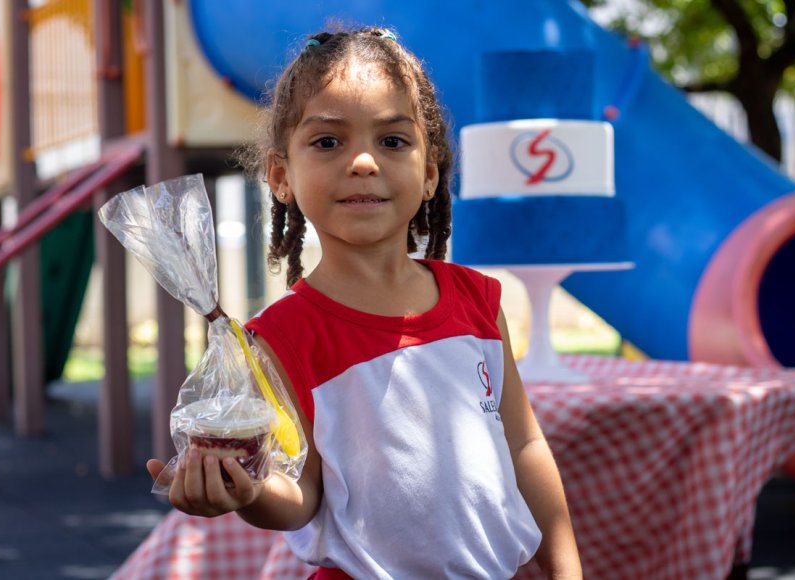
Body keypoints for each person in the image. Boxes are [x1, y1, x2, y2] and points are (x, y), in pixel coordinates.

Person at [146, 27, 582, 579]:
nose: (363, 162)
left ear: (429, 175)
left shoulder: (478, 299)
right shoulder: (281, 337)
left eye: (392, 141)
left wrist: (566, 568)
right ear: (281, 176)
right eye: (328, 142)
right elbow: (301, 495)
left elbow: (523, 446)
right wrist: (248, 490)